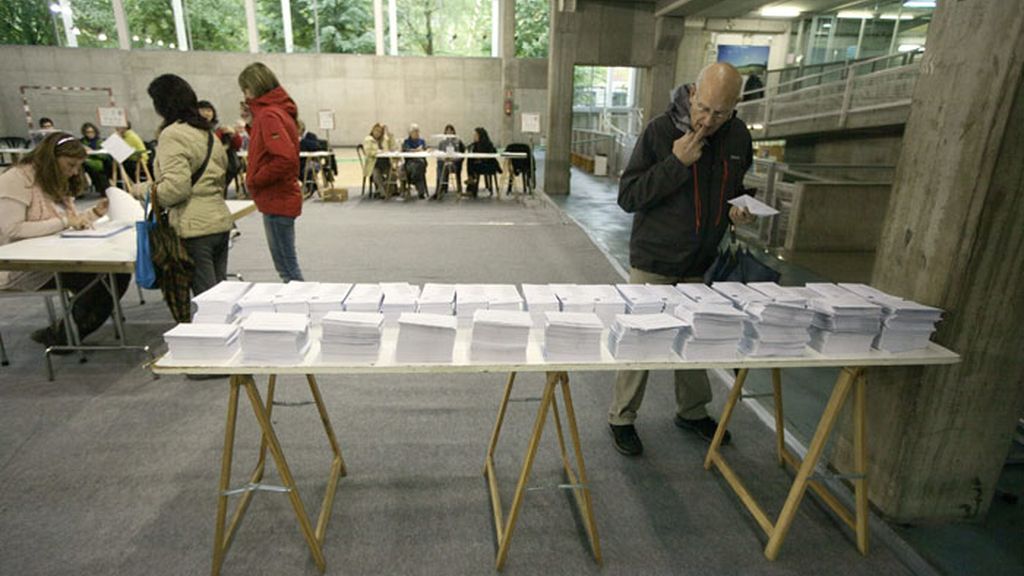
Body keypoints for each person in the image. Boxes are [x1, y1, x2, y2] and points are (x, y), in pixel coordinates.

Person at [608, 62, 757, 456]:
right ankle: (621, 417)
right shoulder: (660, 131)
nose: (708, 120)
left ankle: (691, 412)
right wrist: (675, 164)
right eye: (703, 107)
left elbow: (735, 186)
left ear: (735, 107)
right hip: (654, 259)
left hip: (700, 262)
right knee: (641, 339)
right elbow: (629, 196)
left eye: (720, 113)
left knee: (697, 339)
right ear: (693, 93)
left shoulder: (738, 136)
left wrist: (737, 208)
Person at [0, 132, 130, 348]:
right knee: (101, 279)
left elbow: (69, 221)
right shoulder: (15, 179)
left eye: (78, 167)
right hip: (23, 267)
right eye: (70, 165)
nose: (74, 172)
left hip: (57, 255)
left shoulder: (54, 180)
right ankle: (65, 336)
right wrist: (65, 221)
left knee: (116, 275)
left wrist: (94, 214)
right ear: (52, 159)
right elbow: (12, 229)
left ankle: (67, 331)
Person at [135, 74, 233, 298]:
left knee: (209, 303)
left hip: (194, 227)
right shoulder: (207, 133)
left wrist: (142, 190)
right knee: (220, 297)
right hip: (218, 220)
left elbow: (176, 189)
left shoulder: (173, 135)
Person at [238, 62, 304, 282]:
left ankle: (304, 310)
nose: (245, 96)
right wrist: (250, 124)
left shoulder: (268, 115)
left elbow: (285, 158)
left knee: (287, 269)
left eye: (245, 90)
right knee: (288, 266)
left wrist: (255, 180)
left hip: (276, 198)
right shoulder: (276, 112)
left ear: (253, 87)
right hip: (280, 197)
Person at [197, 100, 243, 194]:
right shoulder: (193, 130)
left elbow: (237, 146)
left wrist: (234, 134)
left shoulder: (220, 128)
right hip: (204, 168)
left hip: (223, 167)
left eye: (209, 110)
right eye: (203, 110)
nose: (206, 113)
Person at [465, 127, 501, 197]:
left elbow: (493, 154)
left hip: (488, 166)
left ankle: (471, 185)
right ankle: (471, 181)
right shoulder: (475, 145)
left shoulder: (488, 144)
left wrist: (481, 158)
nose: (474, 136)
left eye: (476, 135)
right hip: (479, 165)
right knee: (470, 160)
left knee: (472, 166)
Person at [80, 122, 112, 193]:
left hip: (99, 160)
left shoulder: (99, 141)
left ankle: (103, 188)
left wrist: (93, 152)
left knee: (96, 168)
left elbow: (105, 155)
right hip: (86, 160)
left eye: (92, 132)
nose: (90, 134)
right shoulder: (82, 141)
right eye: (88, 132)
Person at [435, 124, 465, 199]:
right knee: (440, 165)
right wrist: (443, 158)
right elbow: (439, 154)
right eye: (447, 130)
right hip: (444, 161)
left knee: (443, 167)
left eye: (450, 130)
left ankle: (440, 189)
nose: (449, 132)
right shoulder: (442, 143)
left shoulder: (457, 142)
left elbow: (460, 155)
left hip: (454, 163)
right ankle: (439, 189)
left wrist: (452, 159)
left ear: (453, 131)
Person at [362, 123, 391, 197]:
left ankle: (390, 190)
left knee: (392, 173)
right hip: (373, 163)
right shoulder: (368, 140)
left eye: (380, 131)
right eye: (376, 131)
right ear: (373, 130)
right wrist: (376, 152)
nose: (378, 133)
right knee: (376, 175)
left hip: (385, 162)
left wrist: (388, 133)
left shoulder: (384, 139)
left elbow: (391, 147)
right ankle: (382, 192)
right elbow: (367, 152)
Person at [402, 124, 428, 199]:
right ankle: (421, 192)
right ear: (410, 133)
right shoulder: (406, 141)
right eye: (414, 132)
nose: (417, 133)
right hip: (410, 162)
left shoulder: (422, 141)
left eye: (417, 131)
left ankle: (412, 180)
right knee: (419, 168)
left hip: (421, 162)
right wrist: (415, 150)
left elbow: (425, 149)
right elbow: (405, 150)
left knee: (420, 165)